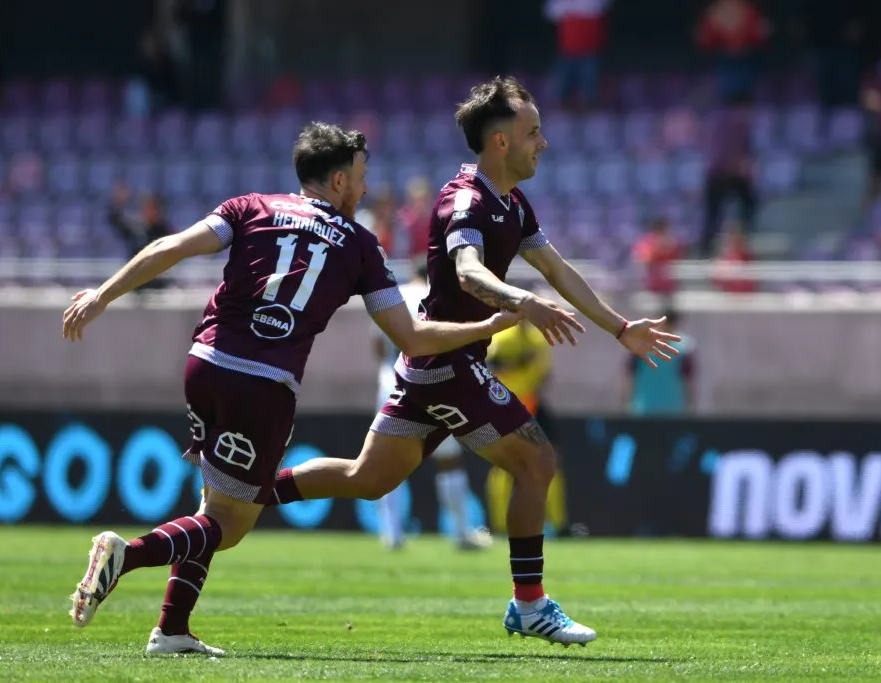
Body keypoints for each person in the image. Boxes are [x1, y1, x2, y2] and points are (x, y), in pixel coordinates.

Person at [61, 122, 522, 656]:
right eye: (361, 176)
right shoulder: (359, 245)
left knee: (215, 504)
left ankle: (171, 630)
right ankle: (126, 555)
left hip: (204, 364)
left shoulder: (250, 206)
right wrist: (486, 327)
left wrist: (102, 294)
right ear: (336, 180)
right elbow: (411, 336)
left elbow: (172, 246)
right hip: (263, 384)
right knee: (228, 526)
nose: (366, 188)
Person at [261, 76, 681, 647]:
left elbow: (559, 271)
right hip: (451, 364)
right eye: (533, 132)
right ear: (501, 142)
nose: (544, 143)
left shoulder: (511, 201)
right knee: (535, 463)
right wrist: (520, 300)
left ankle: (248, 487)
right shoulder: (466, 199)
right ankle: (529, 605)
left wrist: (621, 327)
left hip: (430, 365)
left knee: (367, 478)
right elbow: (468, 271)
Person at [374, 261, 492, 551]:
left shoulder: (395, 294)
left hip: (393, 379)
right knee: (448, 461)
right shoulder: (441, 298)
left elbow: (378, 344)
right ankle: (462, 533)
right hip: (432, 381)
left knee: (386, 461)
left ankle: (392, 534)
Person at [486, 320, 568, 537]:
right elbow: (491, 367)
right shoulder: (501, 336)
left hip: (530, 404)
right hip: (506, 406)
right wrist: (519, 364)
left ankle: (555, 524)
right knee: (504, 465)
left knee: (549, 462)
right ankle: (501, 525)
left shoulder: (536, 338)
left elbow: (543, 374)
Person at [622, 309, 696, 415]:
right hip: (644, 410)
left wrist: (689, 407)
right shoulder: (641, 345)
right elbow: (629, 377)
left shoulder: (684, 349)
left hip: (673, 411)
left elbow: (688, 381)